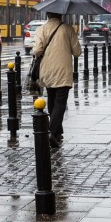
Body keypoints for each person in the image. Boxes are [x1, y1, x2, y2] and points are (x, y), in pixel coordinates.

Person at [33, 11, 81, 148]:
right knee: (60, 103)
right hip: (63, 73)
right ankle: (52, 133)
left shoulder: (41, 29)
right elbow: (77, 52)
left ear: (48, 15)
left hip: (47, 71)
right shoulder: (68, 29)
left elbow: (37, 51)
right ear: (61, 15)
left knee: (52, 100)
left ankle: (58, 131)